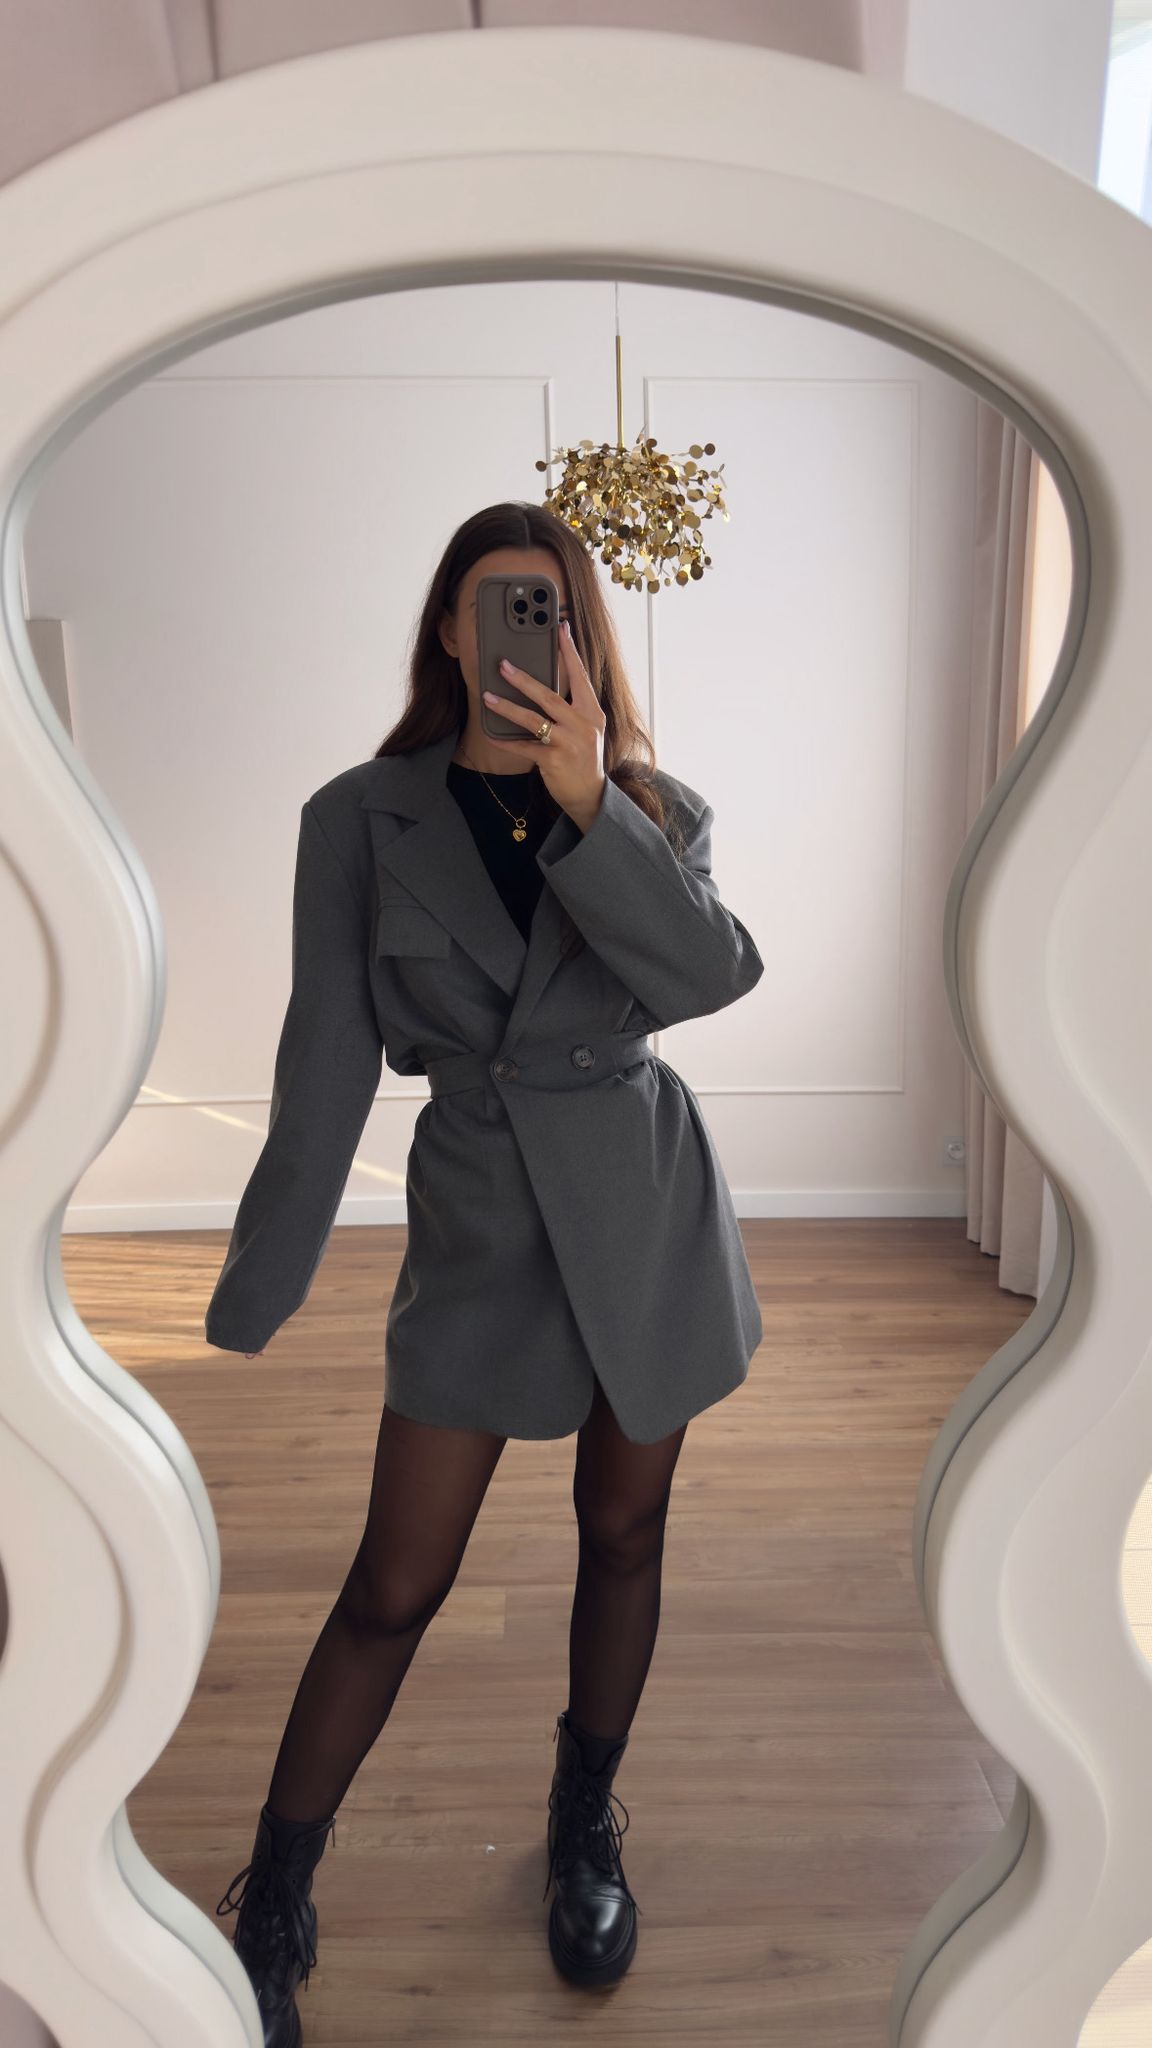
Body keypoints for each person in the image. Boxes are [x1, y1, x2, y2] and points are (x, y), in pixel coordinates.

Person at [206, 501, 764, 2044]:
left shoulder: (653, 806)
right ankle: (275, 1889)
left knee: (625, 1531)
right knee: (395, 1583)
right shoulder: (359, 817)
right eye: (499, 603)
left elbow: (709, 975)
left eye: (555, 607)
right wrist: (261, 1278)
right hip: (481, 1219)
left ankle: (584, 1823)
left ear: (582, 636)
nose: (529, 630)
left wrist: (592, 812)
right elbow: (328, 1054)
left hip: (643, 1212)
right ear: (451, 628)